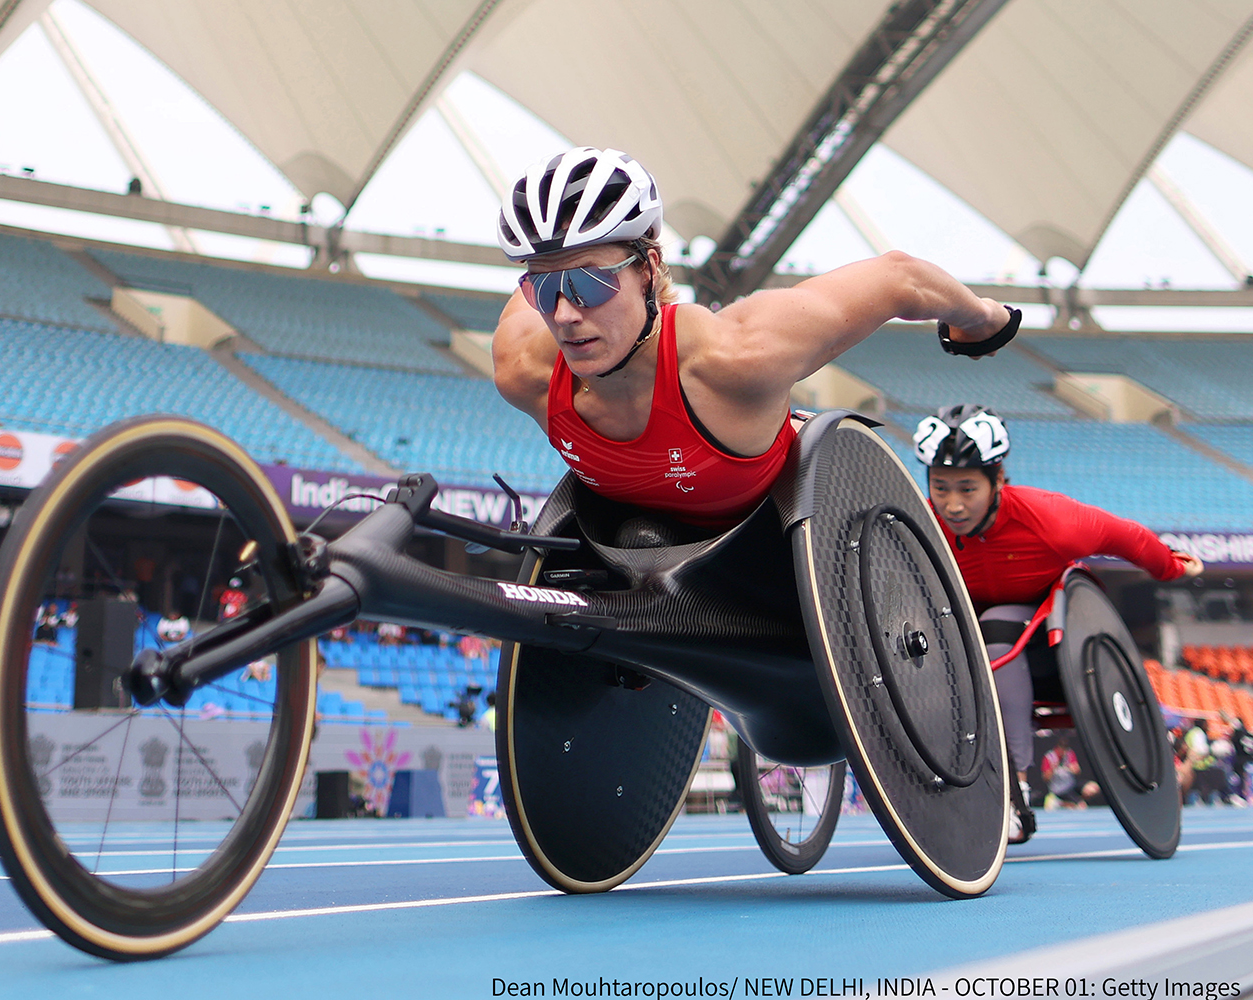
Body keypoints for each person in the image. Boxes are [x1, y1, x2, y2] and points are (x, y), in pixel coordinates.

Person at [492, 146, 1021, 534]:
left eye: (589, 282)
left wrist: (981, 318)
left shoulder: (738, 358)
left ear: (650, 268)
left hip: (779, 539)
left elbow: (898, 278)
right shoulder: (524, 368)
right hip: (632, 554)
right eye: (542, 287)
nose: (563, 314)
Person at [912, 404, 1204, 842]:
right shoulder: (919, 521)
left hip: (1040, 628)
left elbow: (1125, 537)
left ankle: (1016, 789)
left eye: (967, 489)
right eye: (941, 488)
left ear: (998, 480)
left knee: (997, 627)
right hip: (958, 620)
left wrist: (1171, 568)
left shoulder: (1050, 519)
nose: (953, 505)